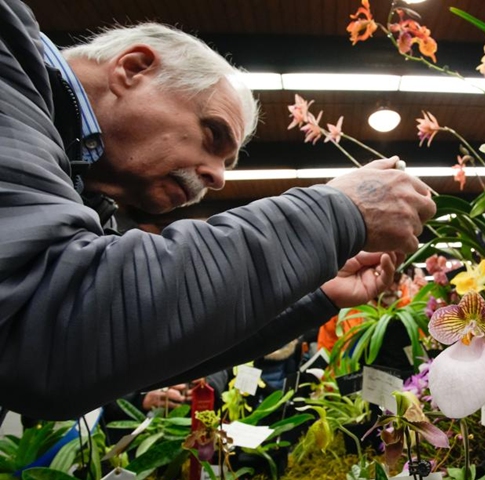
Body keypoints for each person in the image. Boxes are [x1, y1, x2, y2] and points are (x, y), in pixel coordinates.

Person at [0, 0, 436, 420]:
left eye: (228, 164)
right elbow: (46, 323)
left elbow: (126, 350)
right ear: (132, 68)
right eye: (213, 135)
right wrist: (336, 213)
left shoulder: (86, 198)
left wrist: (315, 297)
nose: (219, 178)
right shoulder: (7, 53)